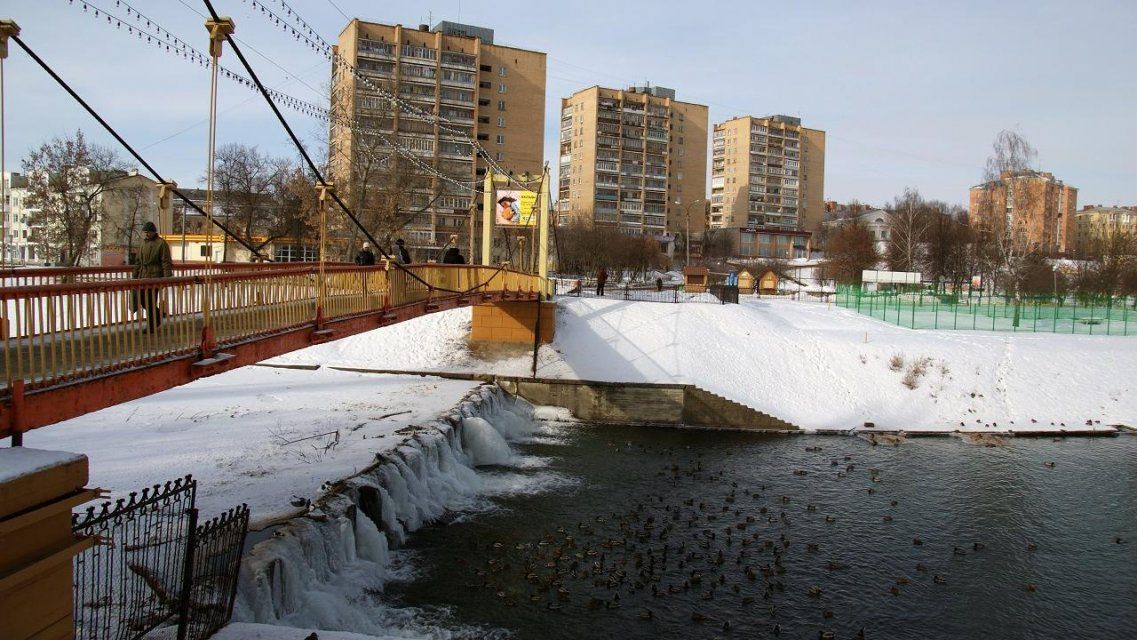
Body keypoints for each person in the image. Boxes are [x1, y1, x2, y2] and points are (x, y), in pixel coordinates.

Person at [133, 221, 173, 332]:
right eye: (145, 232)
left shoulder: (161, 243)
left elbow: (166, 261)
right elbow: (138, 261)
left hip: (155, 276)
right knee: (143, 300)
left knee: (150, 301)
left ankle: (152, 325)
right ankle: (158, 317)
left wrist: (166, 277)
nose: (146, 234)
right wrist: (135, 275)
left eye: (148, 232)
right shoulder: (143, 244)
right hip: (143, 276)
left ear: (153, 232)